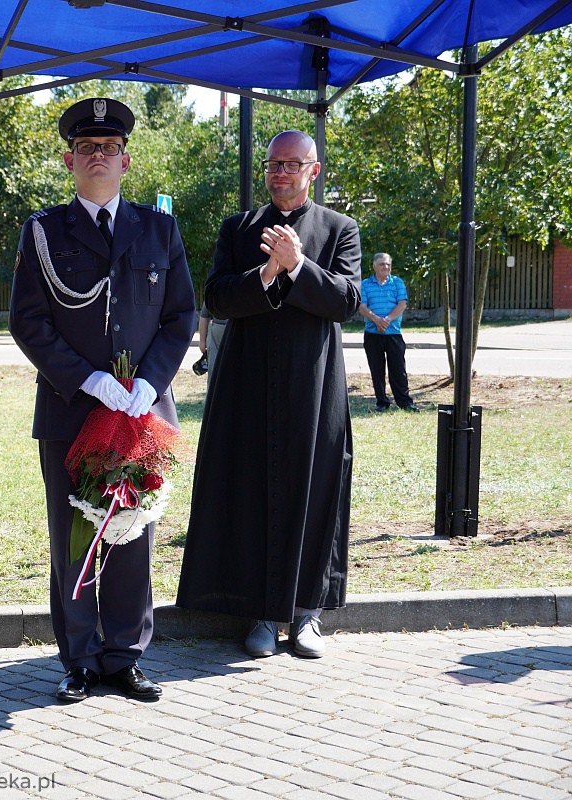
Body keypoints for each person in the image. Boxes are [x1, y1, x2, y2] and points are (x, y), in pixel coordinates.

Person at [9, 98, 196, 702]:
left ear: (125, 160)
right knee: (74, 538)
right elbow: (29, 322)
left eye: (109, 149)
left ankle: (126, 655)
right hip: (72, 408)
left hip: (141, 412)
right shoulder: (43, 232)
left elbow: (180, 315)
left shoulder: (159, 229)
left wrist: (150, 381)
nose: (98, 156)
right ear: (69, 160)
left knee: (133, 534)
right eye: (87, 148)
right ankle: (81, 657)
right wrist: (87, 379)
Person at [177, 130, 362, 660]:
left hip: (313, 382)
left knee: (313, 485)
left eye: (292, 164)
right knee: (252, 484)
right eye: (273, 164)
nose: (281, 172)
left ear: (314, 170)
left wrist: (300, 265)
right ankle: (258, 611)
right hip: (247, 382)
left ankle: (306, 614)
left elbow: (346, 301)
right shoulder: (238, 229)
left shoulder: (338, 229)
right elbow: (216, 297)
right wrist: (268, 270)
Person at [358, 252, 419, 412]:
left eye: (388, 264)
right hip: (372, 334)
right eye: (382, 264)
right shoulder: (365, 284)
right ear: (374, 266)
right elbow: (362, 307)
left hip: (393, 333)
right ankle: (382, 402)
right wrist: (377, 320)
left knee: (398, 369)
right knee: (377, 370)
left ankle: (404, 402)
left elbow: (402, 304)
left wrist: (387, 320)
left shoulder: (397, 282)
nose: (385, 267)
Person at [194, 301, 228, 390]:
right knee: (214, 373)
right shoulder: (215, 288)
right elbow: (204, 315)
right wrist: (202, 341)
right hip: (216, 331)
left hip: (237, 330)